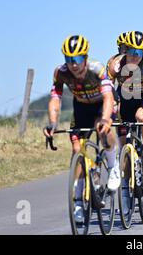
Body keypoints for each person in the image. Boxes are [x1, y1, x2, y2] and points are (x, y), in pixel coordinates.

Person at [43, 35, 118, 222]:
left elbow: (109, 97)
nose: (73, 64)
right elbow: (55, 98)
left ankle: (113, 166)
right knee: (77, 150)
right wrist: (53, 123)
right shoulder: (60, 73)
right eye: (69, 59)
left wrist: (106, 120)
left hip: (102, 104)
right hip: (81, 107)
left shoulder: (97, 69)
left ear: (85, 58)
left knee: (102, 130)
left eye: (76, 59)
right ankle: (77, 200)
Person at [107, 31, 143, 201]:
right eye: (133, 52)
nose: (136, 56)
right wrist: (111, 109)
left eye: (140, 53)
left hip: (140, 101)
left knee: (142, 117)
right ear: (126, 50)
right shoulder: (115, 64)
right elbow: (108, 89)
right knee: (123, 148)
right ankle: (125, 189)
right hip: (124, 101)